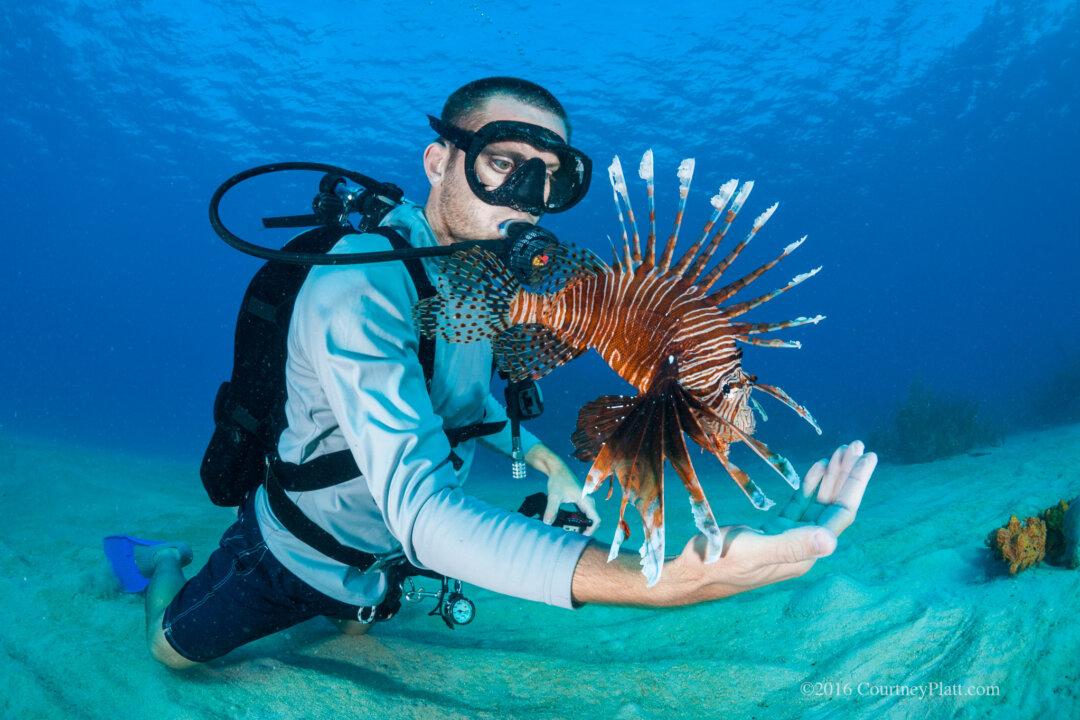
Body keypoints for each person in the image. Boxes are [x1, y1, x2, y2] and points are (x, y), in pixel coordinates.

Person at [126, 77, 878, 669]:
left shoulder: (467, 278)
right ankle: (166, 562)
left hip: (389, 565)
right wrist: (661, 581)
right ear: (437, 160)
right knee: (171, 652)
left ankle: (350, 606)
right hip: (295, 552)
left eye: (548, 179)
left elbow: (460, 396)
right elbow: (423, 512)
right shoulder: (359, 282)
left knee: (354, 632)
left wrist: (551, 461)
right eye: (502, 164)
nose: (527, 200)